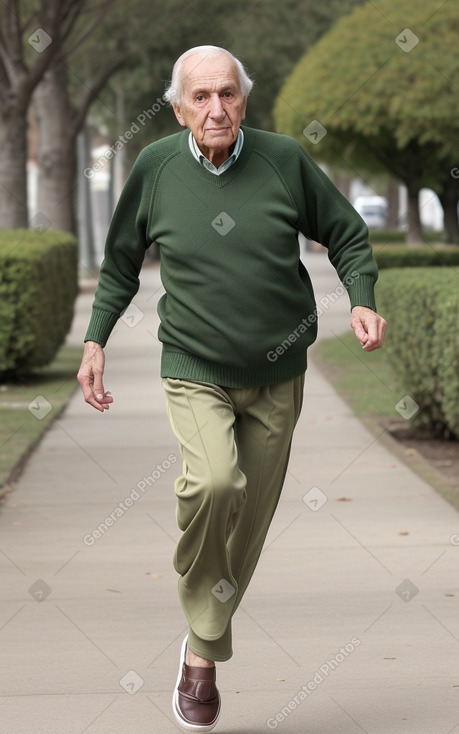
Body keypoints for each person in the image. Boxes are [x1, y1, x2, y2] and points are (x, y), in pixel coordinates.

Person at [77, 45, 387, 732]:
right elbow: (122, 262)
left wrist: (360, 297)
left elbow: (347, 234)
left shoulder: (283, 160)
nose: (215, 109)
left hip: (278, 373)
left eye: (228, 95)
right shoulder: (155, 166)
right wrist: (95, 339)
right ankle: (206, 652)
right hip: (194, 364)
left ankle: (197, 648)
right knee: (215, 484)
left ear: (243, 100)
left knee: (246, 525)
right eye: (200, 97)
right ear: (179, 105)